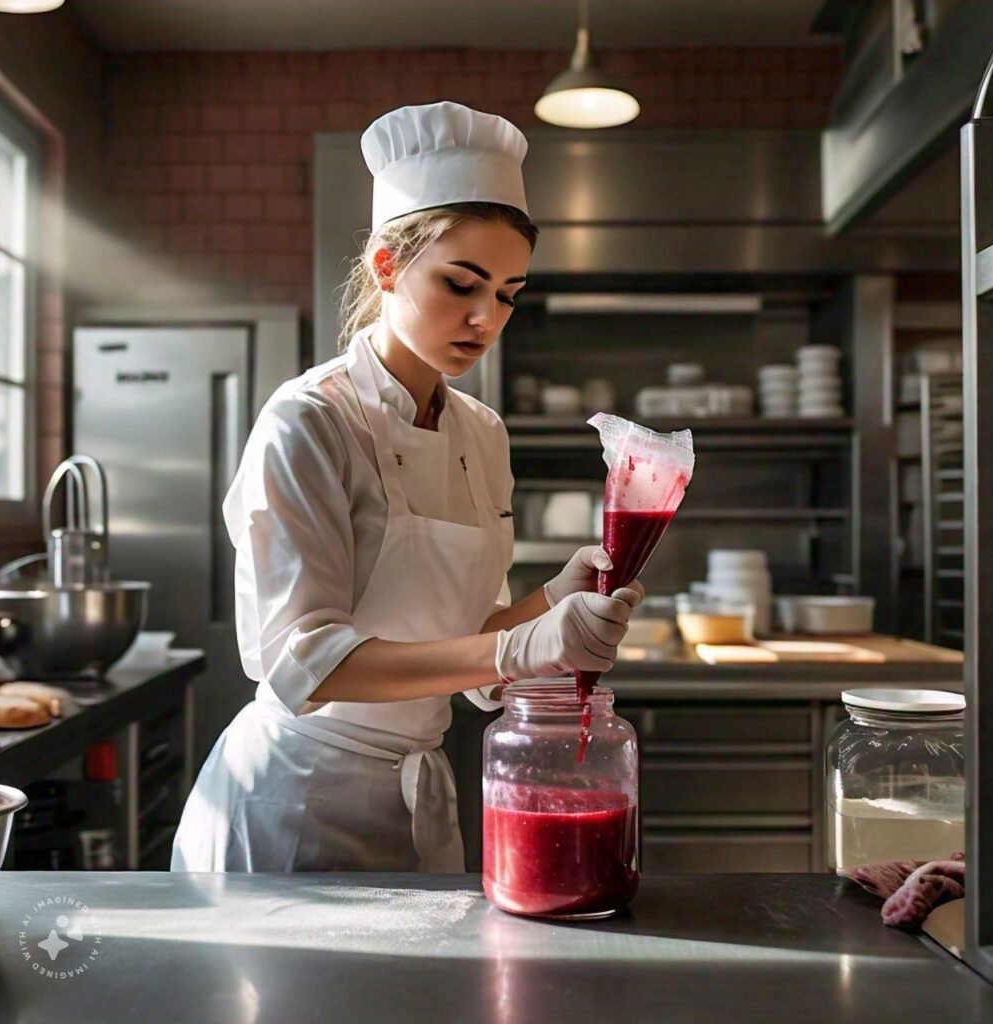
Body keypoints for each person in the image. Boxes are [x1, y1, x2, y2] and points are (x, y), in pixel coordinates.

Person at [170, 101, 644, 873]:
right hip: (295, 805)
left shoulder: (481, 432)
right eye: (462, 284)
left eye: (508, 294)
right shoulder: (311, 420)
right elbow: (310, 661)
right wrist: (519, 644)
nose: (486, 317)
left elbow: (457, 632)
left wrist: (548, 604)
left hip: (420, 802)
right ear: (387, 266)